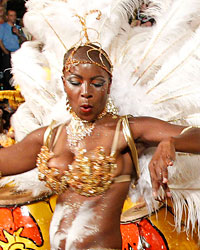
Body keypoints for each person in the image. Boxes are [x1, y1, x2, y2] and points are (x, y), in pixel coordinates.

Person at [0, 42, 200, 249]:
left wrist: (171, 142)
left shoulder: (127, 130)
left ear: (109, 85)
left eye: (96, 83)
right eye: (75, 82)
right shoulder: (49, 137)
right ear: (63, 83)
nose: (86, 92)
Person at [0, 9, 26, 90]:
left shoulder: (19, 28)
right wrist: (6, 52)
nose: (13, 17)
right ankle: (8, 91)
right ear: (7, 17)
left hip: (17, 53)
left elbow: (24, 40)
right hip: (7, 52)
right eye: (11, 15)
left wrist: (18, 34)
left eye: (14, 15)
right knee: (8, 73)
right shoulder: (2, 27)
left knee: (17, 73)